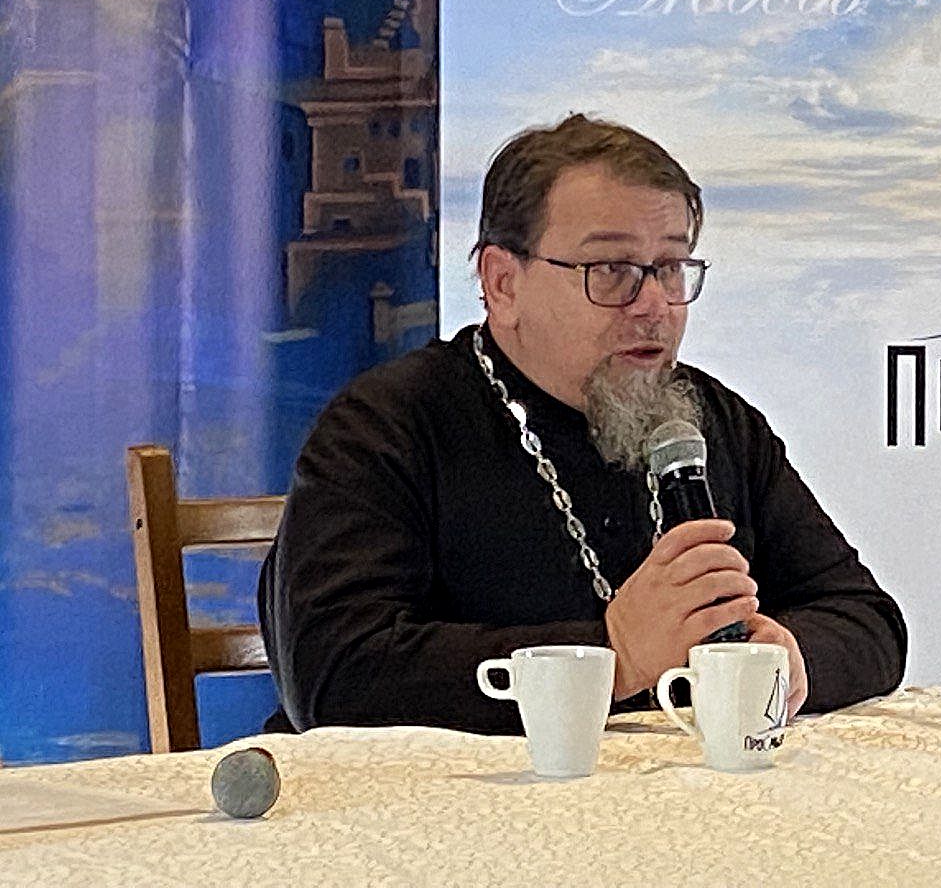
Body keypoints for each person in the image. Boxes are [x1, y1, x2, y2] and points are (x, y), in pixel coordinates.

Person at [258, 113, 907, 735]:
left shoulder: (716, 422)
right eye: (612, 271)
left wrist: (788, 656)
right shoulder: (384, 429)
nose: (654, 305)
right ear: (503, 283)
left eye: (671, 269)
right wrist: (612, 655)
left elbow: (867, 620)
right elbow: (334, 676)